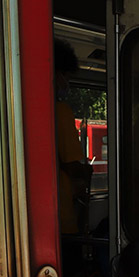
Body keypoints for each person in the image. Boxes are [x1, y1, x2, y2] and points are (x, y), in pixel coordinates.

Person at [54, 39, 93, 242]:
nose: (66, 84)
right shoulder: (59, 111)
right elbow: (71, 164)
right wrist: (86, 170)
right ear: (56, 73)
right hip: (61, 215)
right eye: (66, 77)